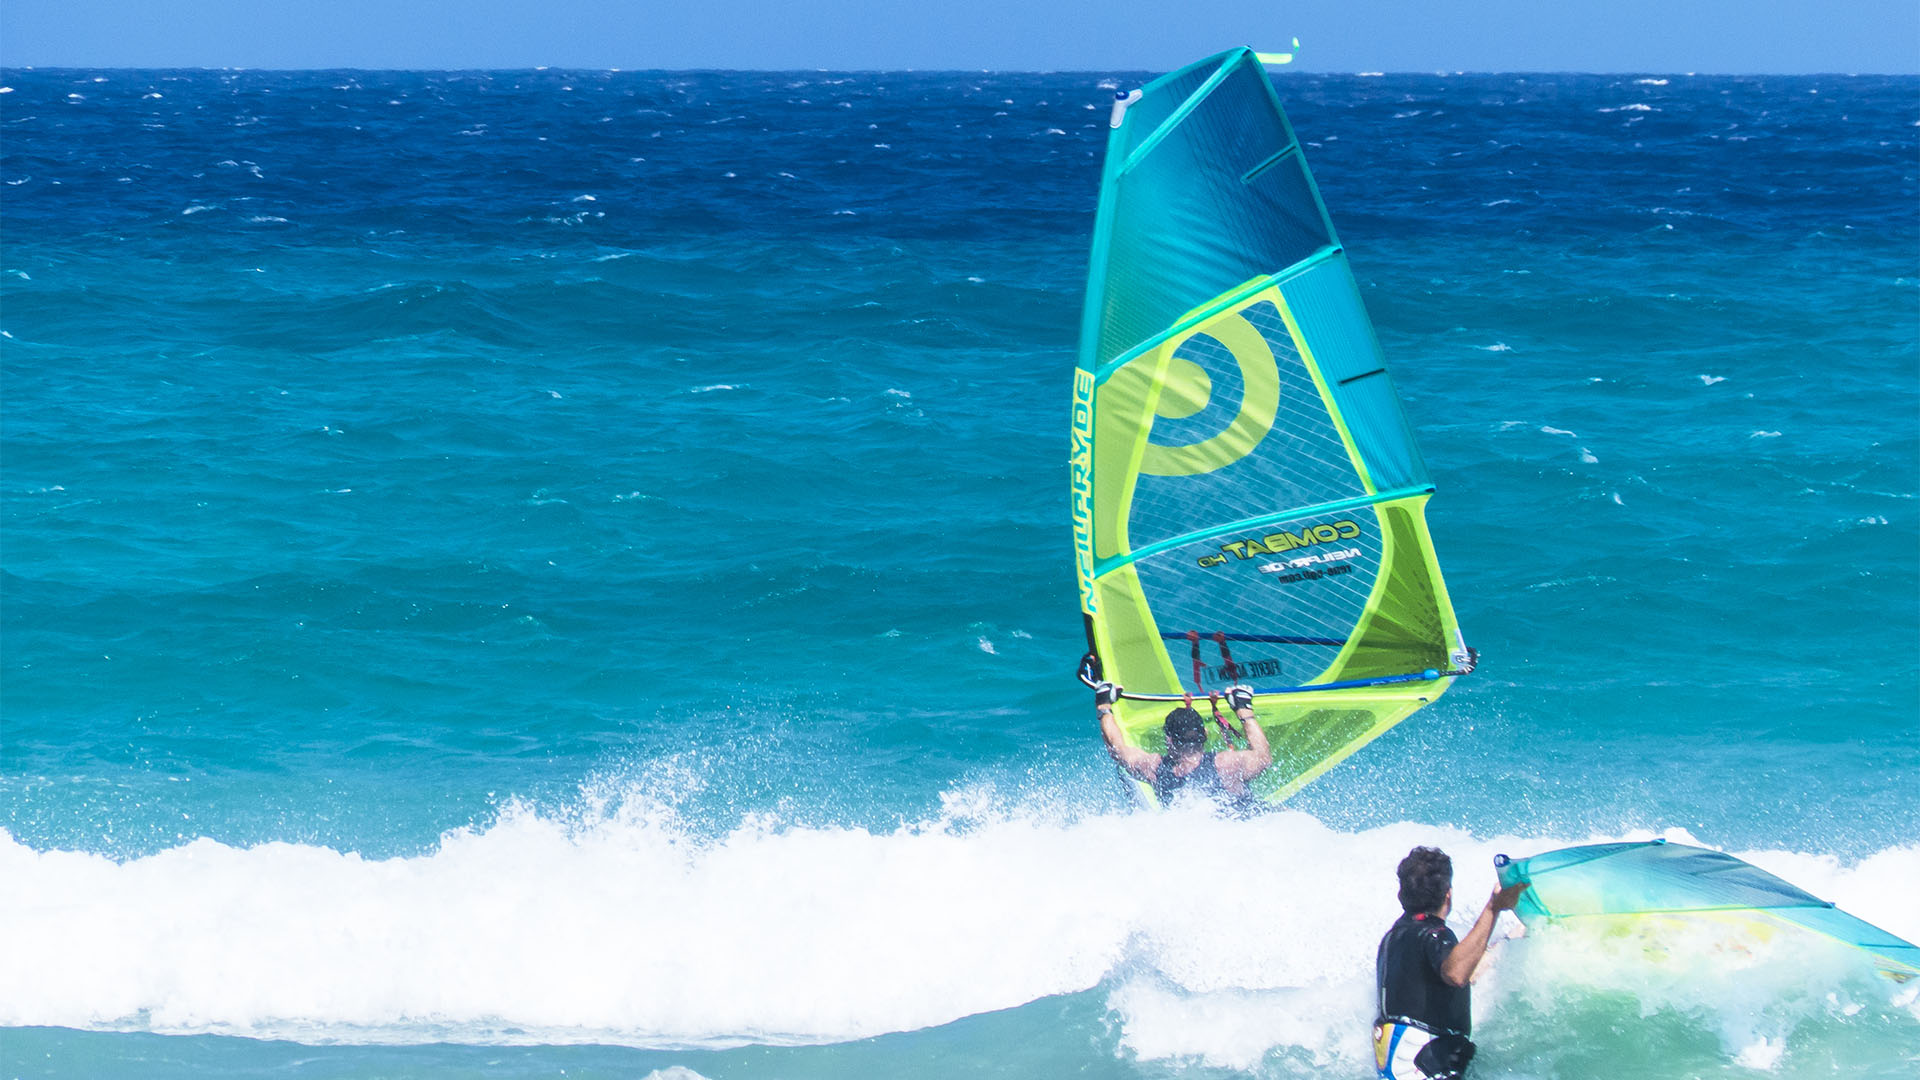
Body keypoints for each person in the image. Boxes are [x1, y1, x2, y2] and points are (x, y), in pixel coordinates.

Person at [1373, 846, 1528, 1080]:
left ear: (1401, 895)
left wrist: (1510, 941)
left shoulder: (1394, 939)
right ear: (1448, 894)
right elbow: (1456, 973)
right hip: (1424, 1070)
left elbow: (1457, 975)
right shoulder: (1434, 934)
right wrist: (1493, 907)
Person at [1092, 680, 1271, 804]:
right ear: (1205, 734)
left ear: (1168, 739)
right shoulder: (1226, 764)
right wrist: (1243, 709)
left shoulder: (1153, 768)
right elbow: (1263, 757)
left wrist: (1104, 705)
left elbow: (1117, 749)